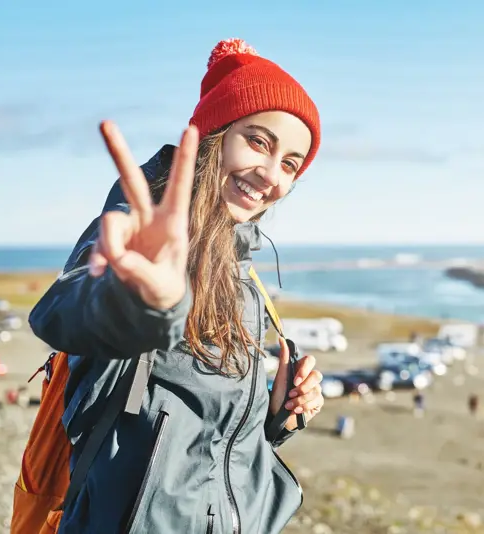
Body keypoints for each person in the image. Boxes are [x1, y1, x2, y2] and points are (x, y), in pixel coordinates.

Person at [25, 38, 324, 533]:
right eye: (258, 141)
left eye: (290, 164)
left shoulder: (243, 276)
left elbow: (205, 443)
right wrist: (144, 304)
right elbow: (62, 312)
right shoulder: (144, 233)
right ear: (214, 134)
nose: (270, 174)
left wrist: (274, 416)